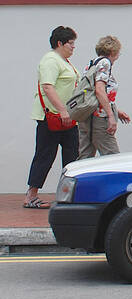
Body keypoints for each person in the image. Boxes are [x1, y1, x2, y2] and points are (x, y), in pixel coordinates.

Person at [24, 25, 80, 209]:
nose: (73, 47)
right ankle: (31, 195)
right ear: (60, 43)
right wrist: (62, 109)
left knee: (72, 154)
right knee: (45, 155)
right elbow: (48, 87)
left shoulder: (64, 61)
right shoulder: (51, 60)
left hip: (68, 118)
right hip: (51, 117)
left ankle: (69, 193)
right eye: (70, 43)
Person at [77, 36, 132, 159]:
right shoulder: (105, 63)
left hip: (87, 117)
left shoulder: (92, 64)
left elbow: (92, 94)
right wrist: (111, 115)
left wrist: (116, 111)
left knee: (85, 158)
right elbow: (100, 90)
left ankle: (78, 178)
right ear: (114, 52)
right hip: (100, 119)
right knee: (112, 158)